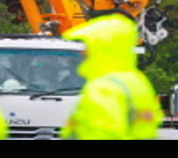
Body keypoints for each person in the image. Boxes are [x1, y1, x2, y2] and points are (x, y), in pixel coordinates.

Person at [60, 11, 163, 140]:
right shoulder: (137, 82)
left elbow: (104, 133)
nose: (83, 50)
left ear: (103, 46)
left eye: (88, 44)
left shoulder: (105, 88)